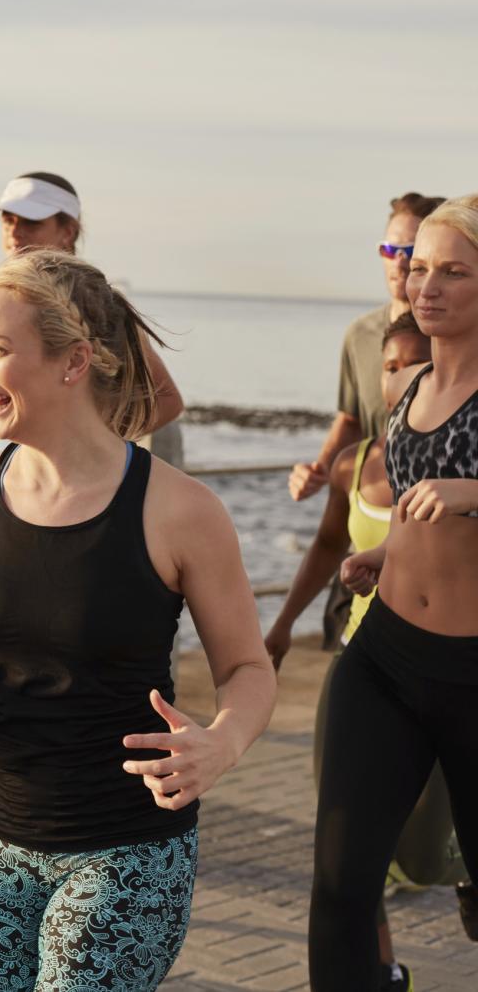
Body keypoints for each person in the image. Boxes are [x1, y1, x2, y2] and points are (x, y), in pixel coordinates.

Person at [0, 250, 275, 991]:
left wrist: (222, 741)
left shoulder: (179, 510)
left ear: (73, 361)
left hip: (126, 851)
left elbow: (247, 667)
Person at [312, 195, 478, 990]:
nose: (427, 285)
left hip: (473, 675)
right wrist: (380, 557)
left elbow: (454, 497)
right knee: (341, 886)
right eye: (421, 267)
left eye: (454, 270)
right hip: (382, 661)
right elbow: (416, 503)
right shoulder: (407, 382)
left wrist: (473, 490)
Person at [265, 314, 458, 991]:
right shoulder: (361, 459)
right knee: (346, 859)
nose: (399, 377)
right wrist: (283, 623)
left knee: (437, 854)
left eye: (416, 363)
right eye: (390, 364)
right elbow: (325, 546)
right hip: (369, 660)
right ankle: (382, 972)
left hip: (458, 670)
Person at [0, 172, 184, 461]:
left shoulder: (96, 307)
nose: (15, 231)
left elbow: (167, 402)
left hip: (75, 484)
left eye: (31, 222)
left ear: (69, 231)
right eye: (8, 220)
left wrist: (89, 446)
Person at [288, 192, 445, 502]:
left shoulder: (456, 335)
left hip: (438, 506)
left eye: (410, 249)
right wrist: (319, 470)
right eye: (388, 249)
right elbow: (351, 420)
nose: (398, 261)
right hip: (374, 502)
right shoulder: (359, 335)